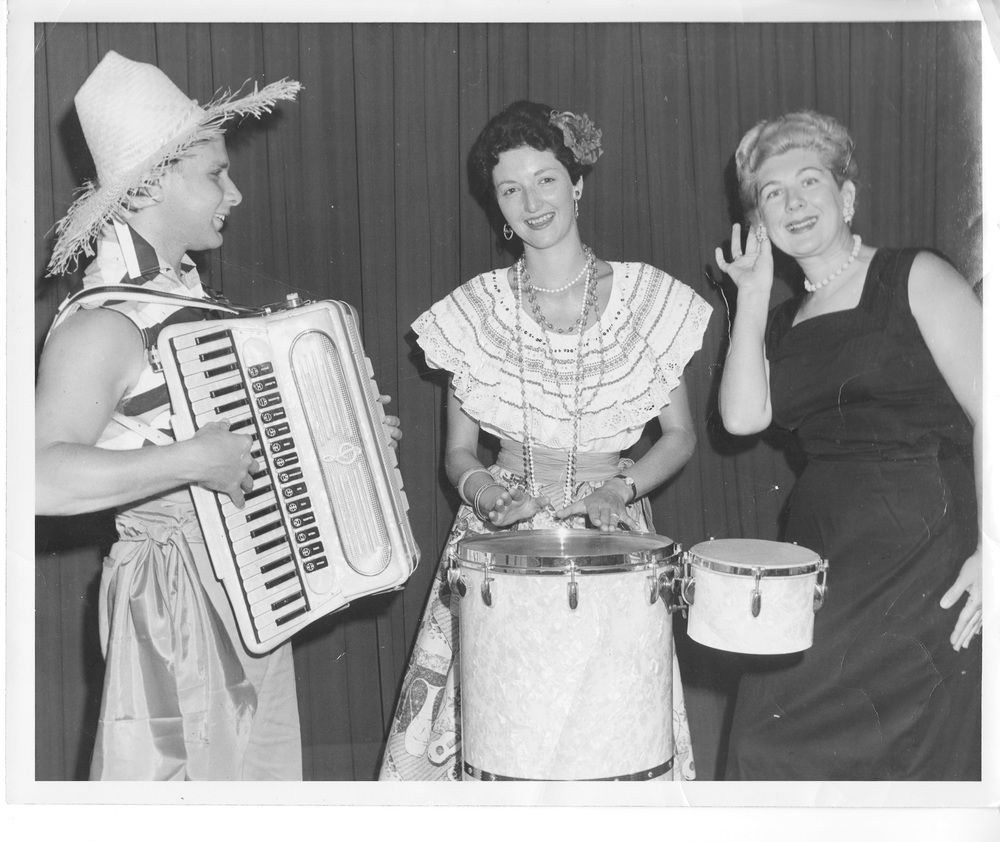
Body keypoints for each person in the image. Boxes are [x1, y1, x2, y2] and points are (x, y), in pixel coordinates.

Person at [36, 51, 402, 780]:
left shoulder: (183, 304)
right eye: (215, 175)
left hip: (249, 588)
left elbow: (233, 444)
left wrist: (346, 441)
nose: (233, 191)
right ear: (146, 189)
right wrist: (189, 462)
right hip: (172, 599)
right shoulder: (104, 325)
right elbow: (32, 479)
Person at [379, 100, 712, 781]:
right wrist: (483, 488)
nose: (532, 202)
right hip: (499, 542)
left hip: (612, 538)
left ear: (577, 183)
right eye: (511, 189)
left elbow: (679, 436)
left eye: (546, 179)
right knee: (502, 744)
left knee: (607, 742)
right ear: (497, 208)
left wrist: (620, 488)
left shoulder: (646, 300)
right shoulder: (475, 311)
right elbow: (457, 455)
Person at [714, 110, 982, 780]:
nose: (795, 202)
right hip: (825, 557)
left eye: (810, 182)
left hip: (926, 554)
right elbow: (743, 418)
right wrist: (750, 297)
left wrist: (997, 550)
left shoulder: (913, 275)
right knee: (761, 747)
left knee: (909, 760)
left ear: (848, 197)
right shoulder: (779, 321)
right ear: (759, 219)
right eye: (773, 193)